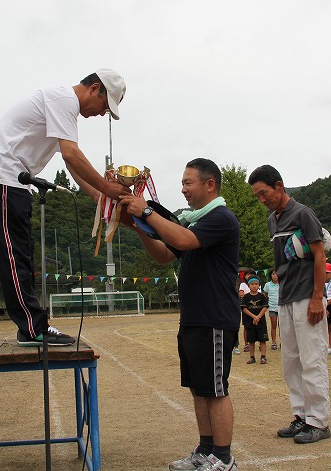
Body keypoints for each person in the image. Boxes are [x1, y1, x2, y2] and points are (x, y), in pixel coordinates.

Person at [0, 69, 130, 347]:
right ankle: (33, 328)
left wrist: (97, 196)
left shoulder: (61, 106)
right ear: (94, 88)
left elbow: (70, 162)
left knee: (23, 255)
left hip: (11, 179)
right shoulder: (63, 99)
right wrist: (107, 189)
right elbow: (72, 154)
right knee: (14, 255)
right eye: (105, 106)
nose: (103, 113)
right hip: (2, 174)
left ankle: (32, 325)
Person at [121, 158, 240, 471]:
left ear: (209, 184)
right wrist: (139, 226)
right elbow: (163, 254)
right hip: (193, 318)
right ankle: (205, 450)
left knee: (215, 390)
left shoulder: (221, 217)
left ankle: (224, 458)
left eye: (189, 182)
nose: (183, 188)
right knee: (199, 389)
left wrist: (147, 211)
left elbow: (185, 240)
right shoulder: (193, 221)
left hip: (214, 318)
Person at [249, 164, 330, 444]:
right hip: (284, 297)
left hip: (307, 296)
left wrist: (318, 298)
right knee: (290, 362)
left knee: (312, 359)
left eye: (264, 193)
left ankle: (319, 421)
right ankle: (301, 417)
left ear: (279, 186)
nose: (262, 200)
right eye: (257, 196)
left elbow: (320, 256)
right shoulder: (273, 220)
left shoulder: (303, 213)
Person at [241, 277, 269, 365]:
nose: (254, 286)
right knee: (251, 341)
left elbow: (265, 307)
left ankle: (263, 356)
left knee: (262, 340)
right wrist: (253, 317)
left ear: (259, 285)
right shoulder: (246, 297)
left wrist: (258, 317)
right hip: (249, 322)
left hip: (261, 322)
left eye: (256, 284)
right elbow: (244, 308)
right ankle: (252, 357)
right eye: (252, 284)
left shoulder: (262, 296)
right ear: (248, 286)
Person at [264, 271, 280, 350]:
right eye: (273, 274)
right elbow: (265, 294)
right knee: (273, 326)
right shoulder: (267, 285)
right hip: (272, 307)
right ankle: (274, 342)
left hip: (281, 306)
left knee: (282, 326)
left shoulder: (282, 283)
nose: (275, 276)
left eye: (276, 274)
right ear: (271, 275)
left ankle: (283, 342)